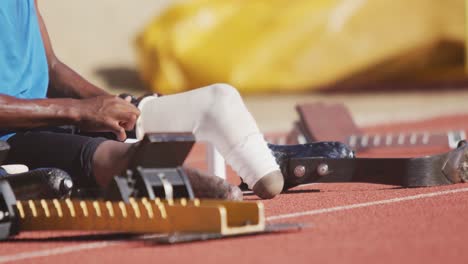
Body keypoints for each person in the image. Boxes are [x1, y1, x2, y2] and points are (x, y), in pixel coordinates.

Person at [0, 0, 287, 200]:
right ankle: (168, 178)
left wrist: (108, 102)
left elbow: (51, 67)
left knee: (219, 100)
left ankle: (266, 170)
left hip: (54, 117)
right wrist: (79, 110)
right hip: (10, 138)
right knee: (123, 157)